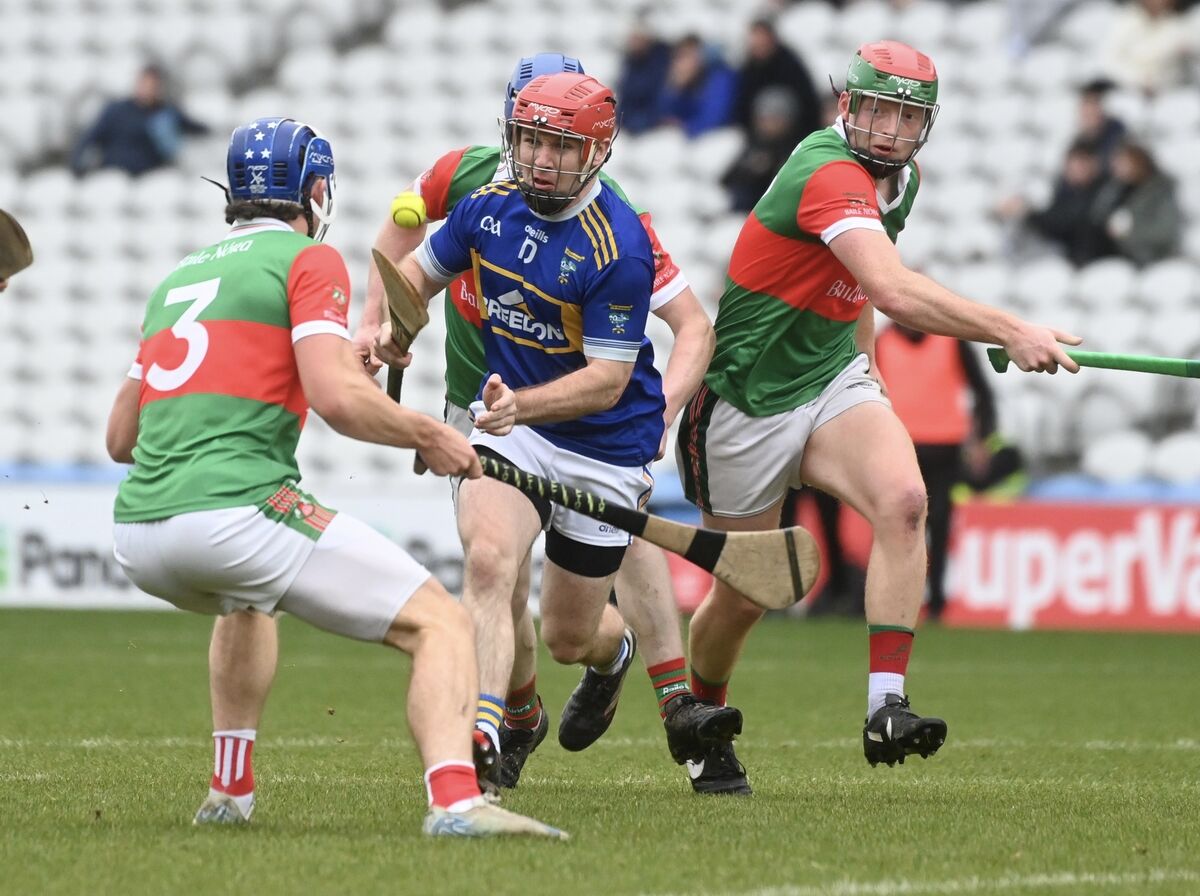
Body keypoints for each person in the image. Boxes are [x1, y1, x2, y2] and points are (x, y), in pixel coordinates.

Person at [105, 116, 565, 840]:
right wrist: (430, 432)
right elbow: (335, 399)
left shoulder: (180, 277)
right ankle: (455, 803)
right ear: (316, 190)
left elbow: (121, 438)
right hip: (236, 514)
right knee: (441, 624)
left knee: (246, 601)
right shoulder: (307, 259)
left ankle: (229, 793)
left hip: (137, 533)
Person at [676, 40, 1082, 791]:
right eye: (879, 110)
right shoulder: (828, 172)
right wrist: (1011, 327)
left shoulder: (905, 181)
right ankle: (701, 720)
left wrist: (867, 378)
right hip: (744, 400)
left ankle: (885, 705)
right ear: (847, 106)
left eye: (908, 116)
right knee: (748, 594)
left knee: (904, 501)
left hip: (829, 378)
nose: (891, 130)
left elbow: (857, 292)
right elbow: (892, 288)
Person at [371, 71, 742, 795]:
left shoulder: (620, 245)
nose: (540, 159)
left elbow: (606, 381)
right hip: (513, 432)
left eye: (559, 146)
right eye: (530, 139)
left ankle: (615, 653)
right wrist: (391, 324)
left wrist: (522, 408)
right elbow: (415, 269)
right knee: (488, 562)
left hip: (601, 444)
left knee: (570, 636)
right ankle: (483, 727)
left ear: (596, 152)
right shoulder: (488, 206)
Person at [874, 323, 998, 621]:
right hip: (900, 445)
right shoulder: (881, 341)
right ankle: (899, 599)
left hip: (945, 446)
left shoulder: (951, 342)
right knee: (899, 524)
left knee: (939, 521)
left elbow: (982, 390)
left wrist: (983, 438)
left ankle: (937, 601)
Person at [71, 64, 209, 178]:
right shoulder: (116, 111)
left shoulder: (166, 113)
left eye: (153, 85)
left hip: (150, 177)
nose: (149, 89)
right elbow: (90, 137)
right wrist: (77, 165)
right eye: (145, 84)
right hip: (114, 174)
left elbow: (193, 127)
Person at [997, 139, 1110, 266]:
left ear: (1094, 164)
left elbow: (1065, 222)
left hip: (1089, 259)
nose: (1077, 169)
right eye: (1073, 163)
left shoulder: (1103, 191)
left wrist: (1028, 213)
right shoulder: (1064, 190)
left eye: (1082, 163)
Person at [1090, 139, 1183, 266]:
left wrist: (1128, 234)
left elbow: (1165, 231)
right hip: (1117, 255)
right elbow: (1097, 216)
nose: (1116, 166)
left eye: (1123, 162)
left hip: (1151, 258)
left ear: (1139, 161)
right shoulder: (1115, 189)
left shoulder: (1160, 190)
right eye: (1116, 161)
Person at [733, 18, 822, 147]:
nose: (758, 44)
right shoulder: (748, 69)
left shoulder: (791, 66)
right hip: (757, 137)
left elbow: (807, 105)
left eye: (762, 38)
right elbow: (742, 107)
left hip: (794, 135)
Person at [722, 87, 803, 212]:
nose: (767, 124)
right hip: (741, 213)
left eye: (774, 118)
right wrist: (750, 169)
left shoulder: (796, 150)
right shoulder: (751, 145)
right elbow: (726, 181)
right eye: (763, 118)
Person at [657, 35, 739, 139]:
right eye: (678, 58)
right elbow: (665, 117)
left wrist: (684, 126)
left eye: (687, 56)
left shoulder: (721, 77)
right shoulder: (684, 81)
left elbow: (714, 119)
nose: (680, 64)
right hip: (692, 137)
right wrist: (673, 90)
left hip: (720, 136)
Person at [616, 20, 673, 135]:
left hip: (652, 123)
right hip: (633, 121)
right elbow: (626, 98)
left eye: (637, 38)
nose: (634, 43)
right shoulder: (630, 63)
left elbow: (658, 99)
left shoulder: (660, 63)